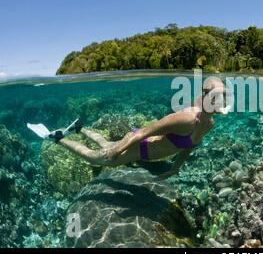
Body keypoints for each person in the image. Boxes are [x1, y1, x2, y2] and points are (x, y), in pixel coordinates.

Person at [28, 77, 229, 179]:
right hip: (137, 146)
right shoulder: (186, 119)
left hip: (139, 148)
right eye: (217, 99)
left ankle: (80, 128)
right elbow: (145, 132)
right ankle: (56, 137)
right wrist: (119, 150)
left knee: (106, 144)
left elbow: (187, 148)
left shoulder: (209, 124)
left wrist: (175, 169)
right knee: (96, 157)